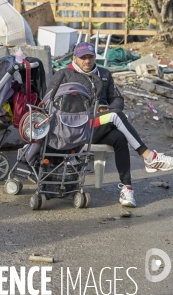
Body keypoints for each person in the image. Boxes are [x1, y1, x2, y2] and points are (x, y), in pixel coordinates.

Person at [60, 42, 173, 207]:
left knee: (119, 136)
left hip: (100, 126)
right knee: (115, 116)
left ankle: (127, 188)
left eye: (90, 57)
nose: (87, 61)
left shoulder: (104, 73)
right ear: (74, 58)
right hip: (77, 128)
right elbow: (54, 102)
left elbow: (118, 98)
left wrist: (109, 109)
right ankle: (149, 157)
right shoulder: (64, 75)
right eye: (83, 57)